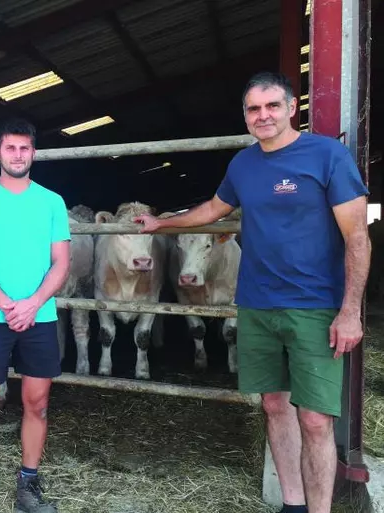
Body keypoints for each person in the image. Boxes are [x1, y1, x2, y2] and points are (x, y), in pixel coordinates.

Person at [136, 71, 370, 513]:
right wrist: (162, 222)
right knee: (274, 405)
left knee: (316, 418)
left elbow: (357, 237)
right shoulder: (243, 164)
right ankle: (293, 505)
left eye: (271, 106)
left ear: (291, 108)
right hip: (257, 303)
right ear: (245, 115)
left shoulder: (327, 156)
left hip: (315, 306)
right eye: (253, 109)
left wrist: (350, 311)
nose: (262, 116)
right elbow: (212, 209)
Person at [0, 118, 71, 513]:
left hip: (39, 316)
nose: (17, 155)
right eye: (10, 148)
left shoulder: (52, 202)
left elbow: (61, 263)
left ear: (33, 153)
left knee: (37, 403)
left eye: (24, 148)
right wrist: (9, 305)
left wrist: (33, 303)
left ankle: (28, 484)